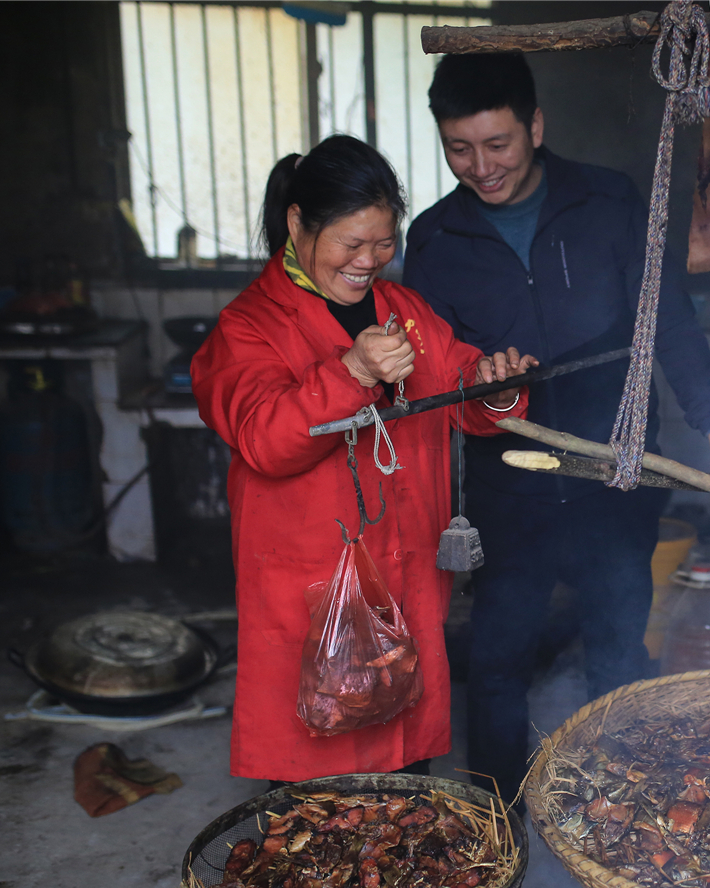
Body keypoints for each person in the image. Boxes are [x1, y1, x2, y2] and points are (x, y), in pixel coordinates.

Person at [403, 53, 710, 802]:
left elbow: (670, 322)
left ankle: (618, 811)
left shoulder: (608, 202)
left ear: (535, 124)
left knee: (618, 646)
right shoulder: (436, 241)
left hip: (613, 475)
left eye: (497, 144)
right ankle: (500, 822)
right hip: (508, 485)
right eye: (458, 149)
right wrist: (477, 377)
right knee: (498, 659)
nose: (481, 167)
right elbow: (430, 375)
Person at [192, 135, 537, 782]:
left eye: (383, 244)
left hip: (403, 584)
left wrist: (496, 385)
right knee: (316, 798)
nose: (369, 261)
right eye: (352, 244)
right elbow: (265, 439)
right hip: (313, 598)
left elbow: (461, 394)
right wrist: (350, 370)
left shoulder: (404, 313)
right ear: (298, 223)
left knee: (408, 787)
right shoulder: (249, 328)